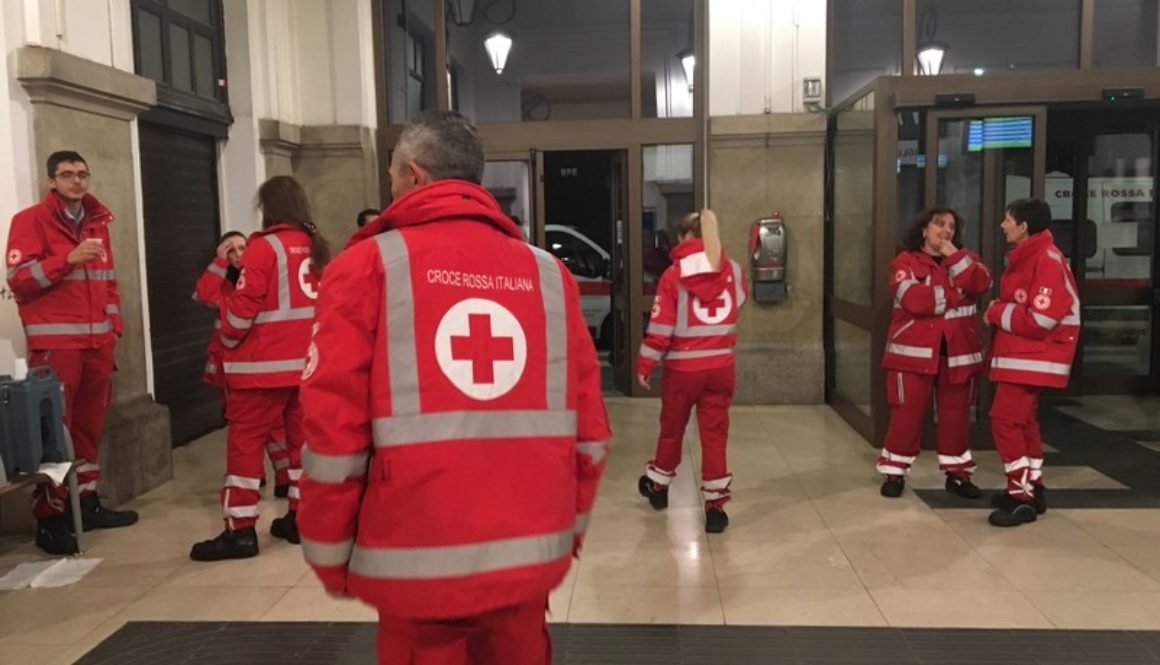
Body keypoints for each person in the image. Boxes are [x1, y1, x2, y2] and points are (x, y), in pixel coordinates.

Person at [298, 110, 610, 665]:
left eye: (393, 175)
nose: (391, 189)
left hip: (417, 561)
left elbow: (332, 434)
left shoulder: (365, 268)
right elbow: (589, 430)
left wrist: (329, 554)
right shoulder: (546, 276)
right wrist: (567, 532)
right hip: (527, 554)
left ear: (414, 175)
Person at [189, 176, 330, 561]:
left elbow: (243, 307)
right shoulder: (317, 246)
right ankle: (301, 520)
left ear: (267, 207)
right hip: (305, 369)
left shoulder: (264, 247)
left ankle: (240, 530)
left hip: (261, 370)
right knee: (302, 447)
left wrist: (229, 342)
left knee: (245, 447)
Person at [5, 150, 138, 555]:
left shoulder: (98, 222)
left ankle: (87, 501)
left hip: (97, 344)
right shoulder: (30, 221)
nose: (77, 181)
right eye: (67, 175)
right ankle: (50, 517)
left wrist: (113, 328)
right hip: (57, 347)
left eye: (82, 174)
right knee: (54, 434)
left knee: (87, 427)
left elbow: (107, 282)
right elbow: (20, 280)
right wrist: (67, 258)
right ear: (51, 181)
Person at [636, 209, 746, 534]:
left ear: (685, 236)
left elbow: (660, 328)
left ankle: (658, 487)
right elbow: (739, 300)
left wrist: (645, 364)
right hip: (722, 366)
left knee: (672, 429)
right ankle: (715, 508)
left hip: (683, 369)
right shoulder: (735, 272)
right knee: (714, 437)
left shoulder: (673, 275)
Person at [876, 208, 991, 499]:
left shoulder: (968, 260)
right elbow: (914, 300)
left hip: (958, 356)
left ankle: (958, 476)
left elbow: (980, 283)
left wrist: (953, 256)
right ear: (924, 229)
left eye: (952, 226)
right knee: (906, 417)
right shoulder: (905, 261)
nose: (946, 230)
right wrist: (956, 294)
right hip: (912, 356)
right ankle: (895, 473)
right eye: (939, 224)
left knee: (956, 418)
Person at [983, 198, 1079, 527]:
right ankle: (1032, 488)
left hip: (1034, 357)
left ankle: (1020, 497)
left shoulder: (1046, 259)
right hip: (1024, 356)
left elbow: (1040, 318)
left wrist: (996, 311)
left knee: (1005, 421)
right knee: (1023, 423)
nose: (1003, 225)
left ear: (1024, 226)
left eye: (1008, 220)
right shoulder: (1031, 257)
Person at [192, 231, 291, 498]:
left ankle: (283, 476)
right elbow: (203, 294)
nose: (237, 254)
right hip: (226, 364)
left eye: (242, 247)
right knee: (242, 424)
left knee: (273, 424)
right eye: (230, 249)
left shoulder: (260, 277)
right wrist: (219, 262)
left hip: (256, 361)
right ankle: (254, 476)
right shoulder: (222, 284)